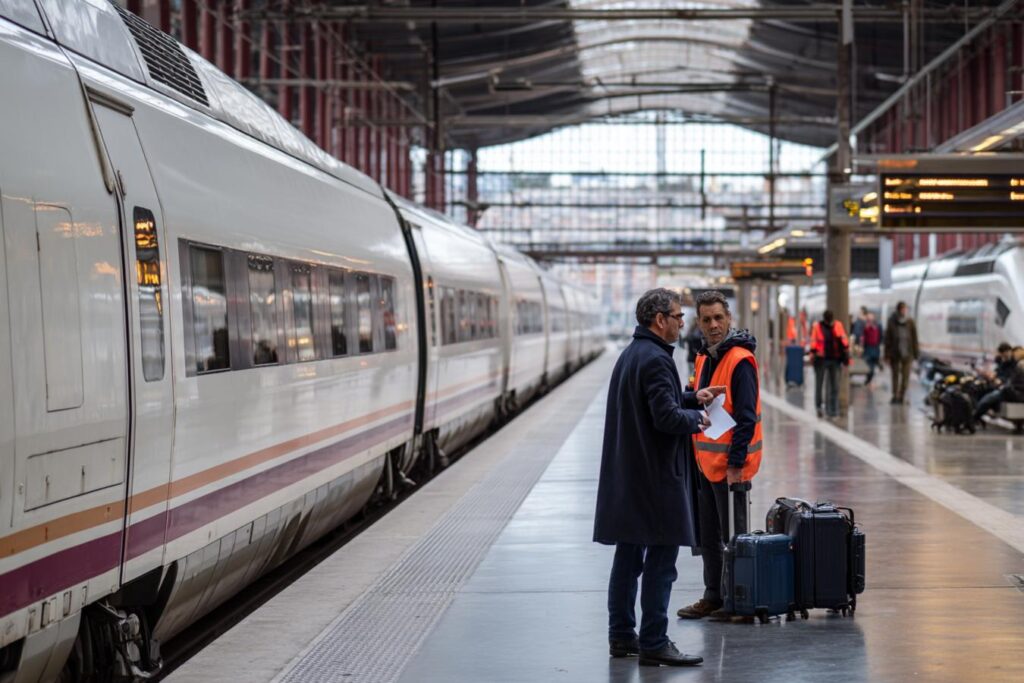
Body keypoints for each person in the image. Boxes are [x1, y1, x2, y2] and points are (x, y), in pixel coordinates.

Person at [594, 288, 722, 667]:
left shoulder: (634, 354)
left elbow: (655, 401)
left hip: (631, 476)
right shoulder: (656, 359)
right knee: (662, 563)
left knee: (628, 558)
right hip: (655, 480)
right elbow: (664, 418)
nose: (684, 323)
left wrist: (691, 397)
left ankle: (621, 635)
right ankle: (653, 640)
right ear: (659, 319)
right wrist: (698, 418)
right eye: (678, 316)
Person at [675, 290, 762, 623]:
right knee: (707, 536)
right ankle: (713, 595)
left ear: (729, 319)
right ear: (699, 322)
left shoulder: (740, 360)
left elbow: (746, 416)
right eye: (707, 319)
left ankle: (736, 599)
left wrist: (737, 465)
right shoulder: (703, 357)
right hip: (704, 462)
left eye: (718, 318)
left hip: (729, 467)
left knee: (732, 538)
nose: (713, 325)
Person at [810, 310, 850, 418]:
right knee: (820, 384)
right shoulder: (817, 327)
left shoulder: (838, 325)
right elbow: (813, 342)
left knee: (834, 386)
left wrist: (846, 359)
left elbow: (844, 342)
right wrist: (813, 354)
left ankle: (833, 409)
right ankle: (819, 407)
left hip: (835, 359)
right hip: (821, 359)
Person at [973, 343, 1024, 423]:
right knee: (979, 390)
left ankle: (974, 418)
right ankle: (980, 414)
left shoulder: (1016, 365)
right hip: (1006, 387)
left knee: (989, 398)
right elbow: (1001, 373)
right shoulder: (1001, 362)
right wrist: (994, 376)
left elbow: (1011, 379)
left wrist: (1001, 381)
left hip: (1010, 390)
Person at [884, 302, 919, 404]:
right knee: (895, 375)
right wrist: (887, 355)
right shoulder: (891, 321)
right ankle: (895, 395)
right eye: (903, 309)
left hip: (908, 353)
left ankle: (902, 395)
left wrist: (916, 353)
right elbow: (888, 339)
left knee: (905, 376)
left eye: (905, 309)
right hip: (895, 353)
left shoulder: (910, 322)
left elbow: (914, 338)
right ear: (898, 310)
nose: (904, 311)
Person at [861, 312, 883, 386]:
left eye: (871, 317)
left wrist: (879, 345)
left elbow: (881, 336)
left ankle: (869, 378)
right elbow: (862, 336)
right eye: (868, 317)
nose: (869, 319)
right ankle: (869, 378)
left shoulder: (878, 326)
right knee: (868, 365)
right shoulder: (865, 326)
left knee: (872, 365)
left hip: (875, 348)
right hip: (867, 348)